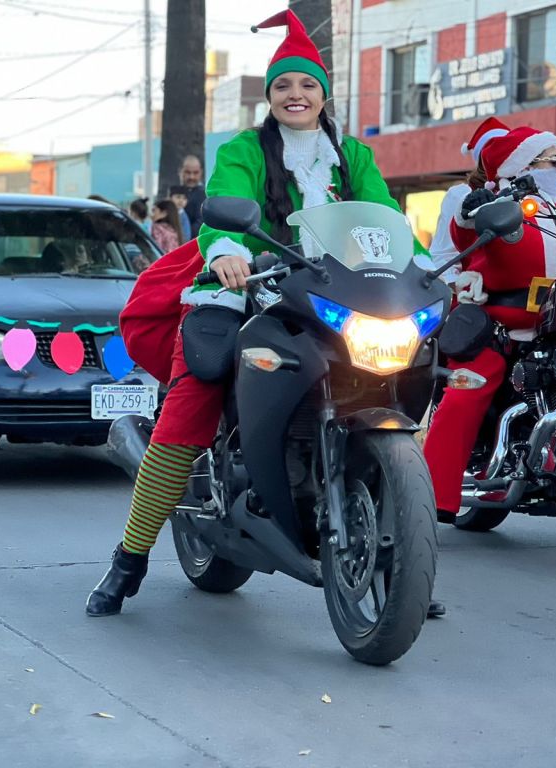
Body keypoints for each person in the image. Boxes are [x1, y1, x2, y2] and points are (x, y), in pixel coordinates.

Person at [86, 9, 446, 620]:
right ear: (271, 96)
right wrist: (225, 254)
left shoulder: (351, 154)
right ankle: (129, 558)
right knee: (194, 392)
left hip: (332, 289)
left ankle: (400, 562)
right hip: (251, 281)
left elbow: (386, 218)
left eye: (307, 85)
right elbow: (227, 208)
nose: (296, 95)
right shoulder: (245, 150)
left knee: (405, 367)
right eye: (284, 85)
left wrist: (428, 270)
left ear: (324, 94)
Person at [423, 126, 556, 522]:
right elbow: (463, 226)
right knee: (472, 382)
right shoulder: (499, 204)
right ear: (522, 165)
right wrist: (473, 209)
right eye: (550, 160)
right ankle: (431, 493)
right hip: (501, 322)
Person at [429, 117, 510, 281]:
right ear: (483, 159)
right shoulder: (462, 194)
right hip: (475, 296)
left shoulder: (522, 192)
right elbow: (443, 255)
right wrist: (460, 287)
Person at [179, 155, 206, 233]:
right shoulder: (173, 193)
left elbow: (201, 223)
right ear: (180, 171)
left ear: (201, 172)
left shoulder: (204, 195)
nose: (191, 177)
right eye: (188, 172)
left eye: (195, 173)